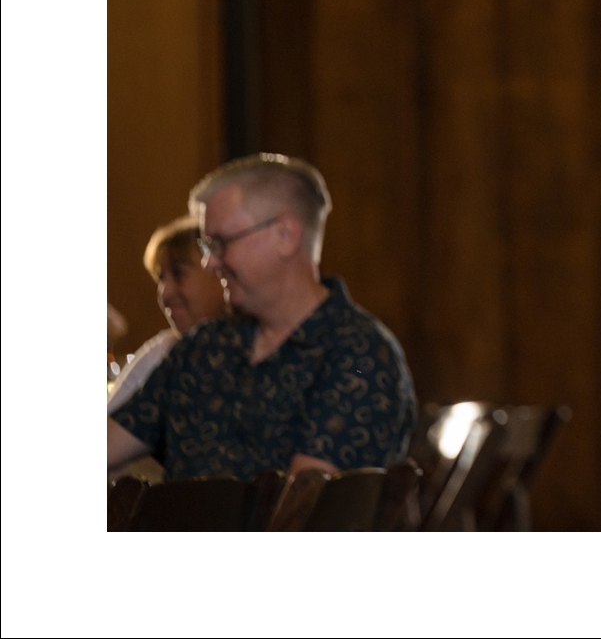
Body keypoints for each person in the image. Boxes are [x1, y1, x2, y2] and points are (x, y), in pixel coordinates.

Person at [108, 153, 416, 480]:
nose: (210, 263)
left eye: (220, 243)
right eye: (206, 245)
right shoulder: (204, 347)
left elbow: (301, 519)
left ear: (286, 236)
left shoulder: (359, 354)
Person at [108, 216, 229, 416]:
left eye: (178, 273)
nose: (165, 293)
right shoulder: (161, 353)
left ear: (220, 272)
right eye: (161, 278)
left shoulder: (257, 346)